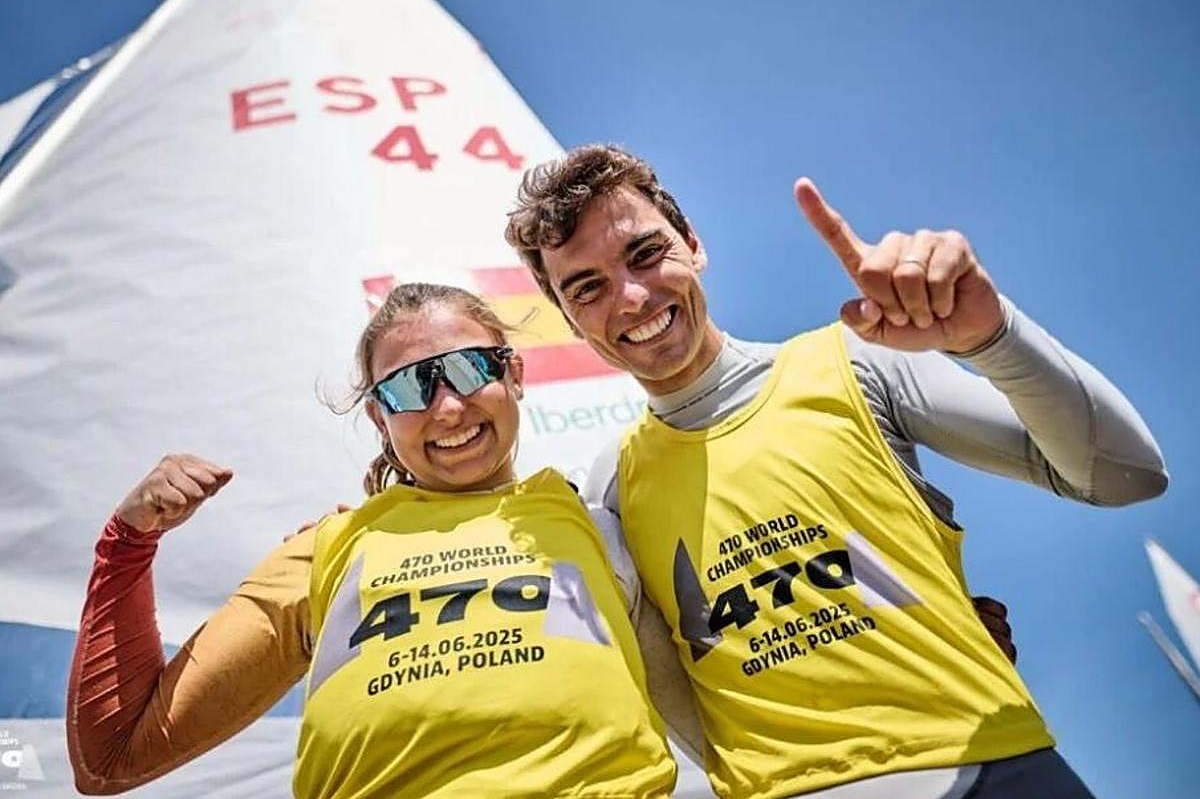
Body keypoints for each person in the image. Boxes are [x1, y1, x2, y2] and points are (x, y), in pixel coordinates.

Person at [503, 144, 1168, 799]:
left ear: (695, 244)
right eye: (587, 288)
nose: (631, 296)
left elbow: (1125, 474)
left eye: (646, 254)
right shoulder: (608, 489)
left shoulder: (854, 364)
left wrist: (991, 335)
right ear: (570, 321)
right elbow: (662, 706)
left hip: (995, 773)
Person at [65, 282, 677, 797]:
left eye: (468, 369)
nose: (447, 407)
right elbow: (113, 756)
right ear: (379, 418)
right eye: (409, 389)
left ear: (513, 374)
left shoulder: (603, 521)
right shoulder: (325, 551)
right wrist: (128, 541)